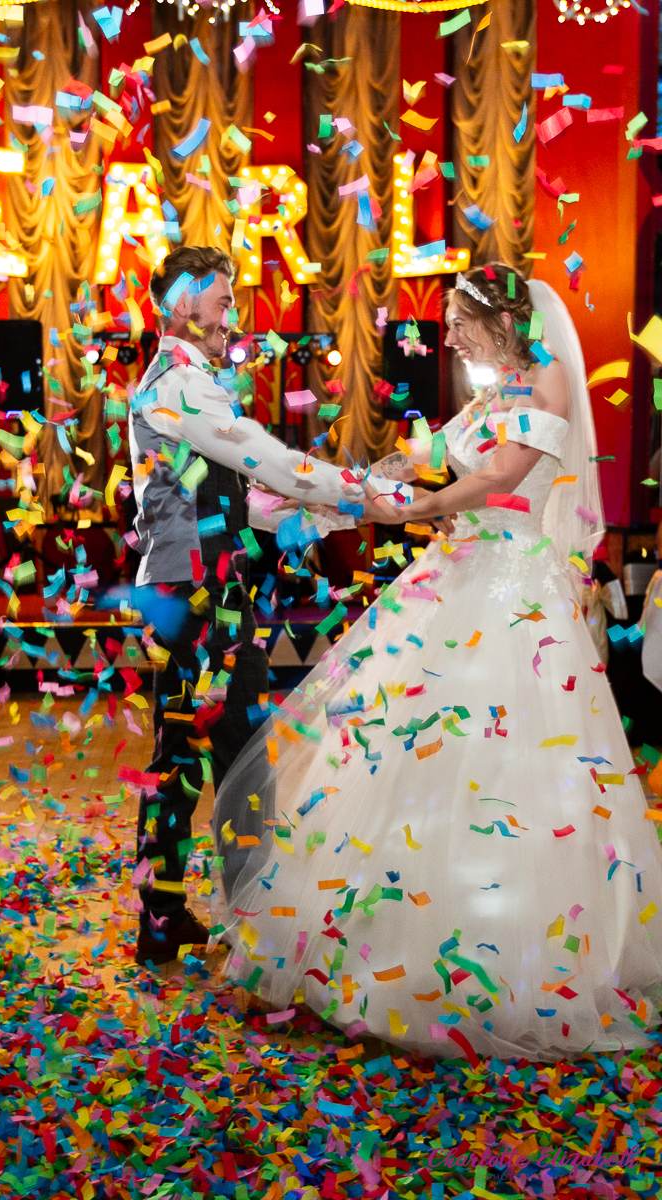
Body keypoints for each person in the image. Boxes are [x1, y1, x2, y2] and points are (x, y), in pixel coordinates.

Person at [210, 264, 662, 1062]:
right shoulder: (488, 399)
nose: (446, 331)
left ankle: (514, 959)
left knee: (510, 771)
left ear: (495, 317)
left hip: (516, 603)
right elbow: (414, 460)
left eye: (456, 317)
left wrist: (417, 508)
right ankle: (394, 937)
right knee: (403, 753)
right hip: (453, 580)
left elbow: (500, 478)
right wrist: (339, 493)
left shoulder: (547, 387)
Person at [129, 244, 370, 966]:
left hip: (180, 589)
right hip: (202, 596)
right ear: (182, 302)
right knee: (246, 756)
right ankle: (257, 926)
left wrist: (326, 514)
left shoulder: (186, 381)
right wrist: (352, 490)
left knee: (177, 757)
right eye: (225, 299)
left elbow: (239, 497)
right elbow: (262, 458)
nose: (235, 312)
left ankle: (163, 919)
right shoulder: (179, 381)